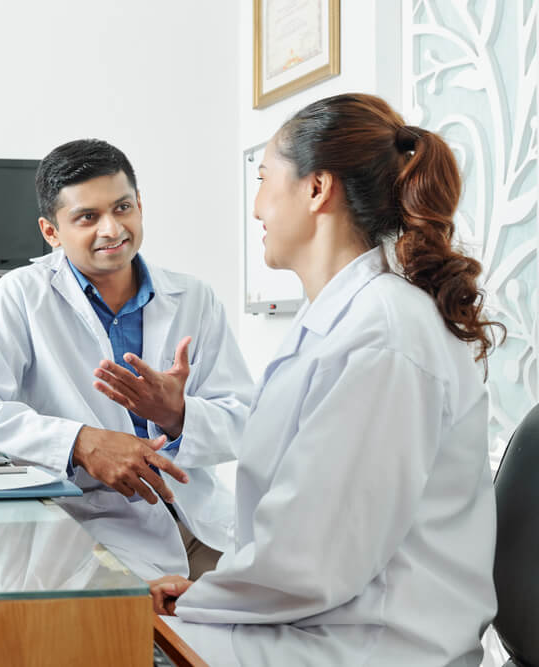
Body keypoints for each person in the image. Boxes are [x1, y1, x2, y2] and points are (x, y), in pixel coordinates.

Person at [147, 93, 502, 666]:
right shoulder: (345, 319)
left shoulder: (382, 334)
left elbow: (314, 557)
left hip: (370, 645)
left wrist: (209, 599)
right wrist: (216, 594)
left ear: (317, 189)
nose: (256, 205)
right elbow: (303, 530)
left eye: (264, 179)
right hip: (324, 621)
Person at [0, 139, 254, 580]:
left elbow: (243, 420)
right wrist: (80, 443)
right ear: (51, 232)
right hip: (89, 535)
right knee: (135, 639)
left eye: (123, 208)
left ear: (140, 205)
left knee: (276, 624)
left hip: (200, 522)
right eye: (87, 217)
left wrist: (178, 415)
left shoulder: (194, 298)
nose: (111, 229)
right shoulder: (20, 296)